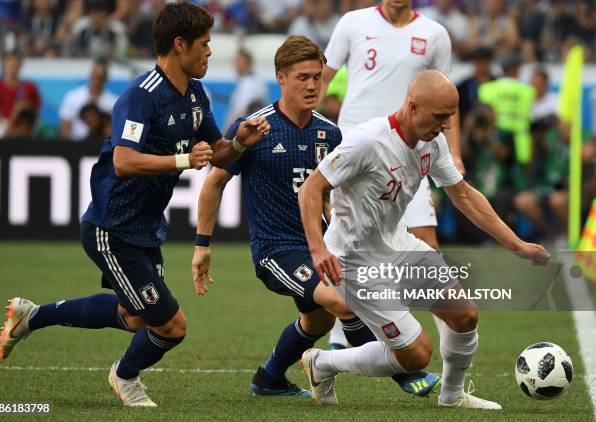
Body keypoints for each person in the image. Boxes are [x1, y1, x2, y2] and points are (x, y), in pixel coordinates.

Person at [0, 3, 270, 408]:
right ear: (180, 46)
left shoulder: (195, 94)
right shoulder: (140, 99)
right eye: (205, 44)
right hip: (112, 227)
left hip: (144, 227)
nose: (210, 52)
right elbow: (124, 161)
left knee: (135, 318)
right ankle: (125, 377)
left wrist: (241, 142)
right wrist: (182, 160)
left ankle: (32, 316)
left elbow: (217, 154)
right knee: (172, 325)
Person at [192, 35, 439, 399]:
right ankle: (403, 373)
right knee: (341, 301)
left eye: (317, 77)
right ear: (280, 77)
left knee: (317, 319)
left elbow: (330, 196)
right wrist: (202, 245)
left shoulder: (330, 131)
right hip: (276, 251)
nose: (312, 85)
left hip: (322, 244)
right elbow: (214, 183)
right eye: (302, 77)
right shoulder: (254, 128)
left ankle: (270, 378)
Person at [297, 70, 550, 409]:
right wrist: (317, 248)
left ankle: (452, 396)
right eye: (441, 116)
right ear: (413, 106)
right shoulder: (368, 140)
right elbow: (311, 188)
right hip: (354, 262)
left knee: (465, 316)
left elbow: (463, 195)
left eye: (451, 116)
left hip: (399, 246)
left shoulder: (433, 141)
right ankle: (322, 363)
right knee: (416, 356)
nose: (447, 125)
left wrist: (516, 245)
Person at [319, 0, 464, 349]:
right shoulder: (352, 23)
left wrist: (455, 152)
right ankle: (341, 337)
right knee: (350, 250)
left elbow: (447, 102)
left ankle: (452, 350)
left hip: (413, 152)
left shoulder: (434, 34)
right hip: (359, 156)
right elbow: (322, 78)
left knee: (428, 249)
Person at [59, 58, 118, 141]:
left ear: (106, 78)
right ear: (90, 75)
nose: (97, 81)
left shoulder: (113, 102)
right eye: (95, 77)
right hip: (75, 144)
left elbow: (114, 130)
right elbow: (64, 128)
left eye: (100, 78)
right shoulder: (73, 97)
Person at [0, 51, 41, 139]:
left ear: (21, 64)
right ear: (4, 63)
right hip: (4, 125)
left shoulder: (30, 87)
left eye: (16, 61)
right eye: (10, 61)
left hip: (25, 127)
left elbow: (36, 109)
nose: (13, 65)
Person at [225, 49, 268, 128]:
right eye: (235, 62)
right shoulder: (254, 81)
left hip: (245, 131)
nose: (236, 65)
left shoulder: (250, 83)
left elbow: (241, 113)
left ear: (248, 63)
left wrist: (228, 132)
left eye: (239, 62)